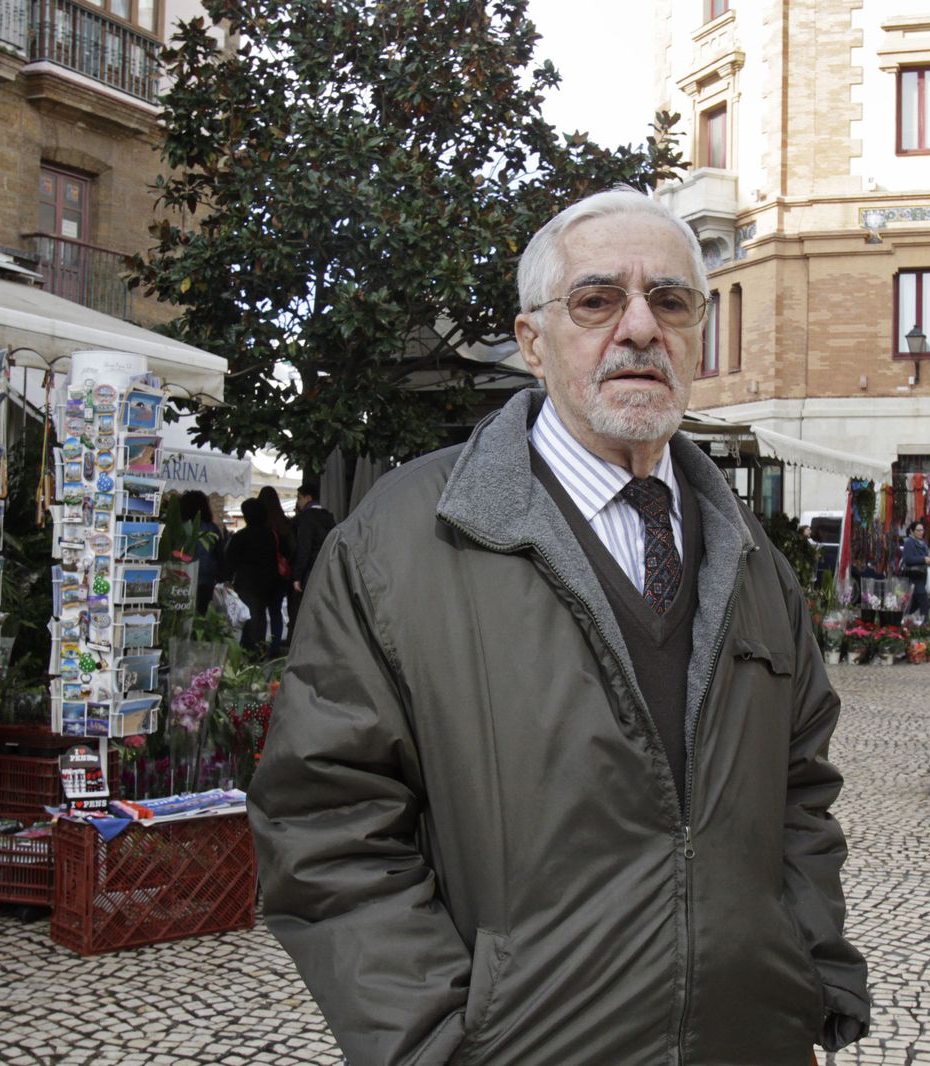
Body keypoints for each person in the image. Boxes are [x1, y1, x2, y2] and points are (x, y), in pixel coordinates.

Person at [248, 187, 870, 1066]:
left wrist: (807, 959)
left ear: (698, 335)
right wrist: (435, 1044)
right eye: (597, 300)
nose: (641, 328)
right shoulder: (399, 545)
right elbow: (326, 822)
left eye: (671, 301)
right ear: (534, 342)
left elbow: (801, 789)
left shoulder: (749, 556)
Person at [221, 497, 279, 653]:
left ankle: (249, 649)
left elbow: (230, 559)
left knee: (248, 616)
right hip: (267, 581)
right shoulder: (269, 534)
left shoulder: (242, 535)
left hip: (247, 581)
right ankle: (259, 647)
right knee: (259, 614)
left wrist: (225, 578)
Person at [288, 481, 337, 635]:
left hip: (310, 571)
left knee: (305, 613)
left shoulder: (306, 518)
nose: (298, 502)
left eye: (299, 498)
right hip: (328, 570)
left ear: (307, 498)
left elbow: (304, 548)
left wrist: (297, 576)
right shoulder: (329, 517)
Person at [256, 486, 296, 656]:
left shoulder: (258, 524)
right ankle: (274, 649)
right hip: (280, 576)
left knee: (258, 612)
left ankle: (258, 648)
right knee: (276, 611)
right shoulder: (285, 523)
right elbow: (291, 550)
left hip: (260, 574)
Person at [178, 489, 226, 615]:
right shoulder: (212, 528)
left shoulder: (178, 527)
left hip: (181, 580)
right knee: (201, 614)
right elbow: (220, 556)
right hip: (206, 581)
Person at [899, 518, 930, 622]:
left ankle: (901, 617)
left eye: (922, 530)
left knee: (915, 602)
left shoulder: (922, 543)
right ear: (912, 531)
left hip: (921, 575)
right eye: (918, 530)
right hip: (914, 576)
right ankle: (925, 623)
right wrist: (923, 559)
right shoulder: (909, 542)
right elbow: (908, 559)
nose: (921, 532)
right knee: (924, 601)